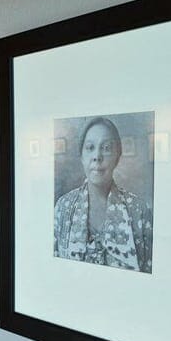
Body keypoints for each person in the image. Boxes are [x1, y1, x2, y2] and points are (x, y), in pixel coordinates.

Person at [53, 117, 153, 273]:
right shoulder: (63, 207)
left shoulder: (139, 211)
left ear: (117, 156)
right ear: (82, 156)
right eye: (90, 147)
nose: (97, 156)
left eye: (106, 148)